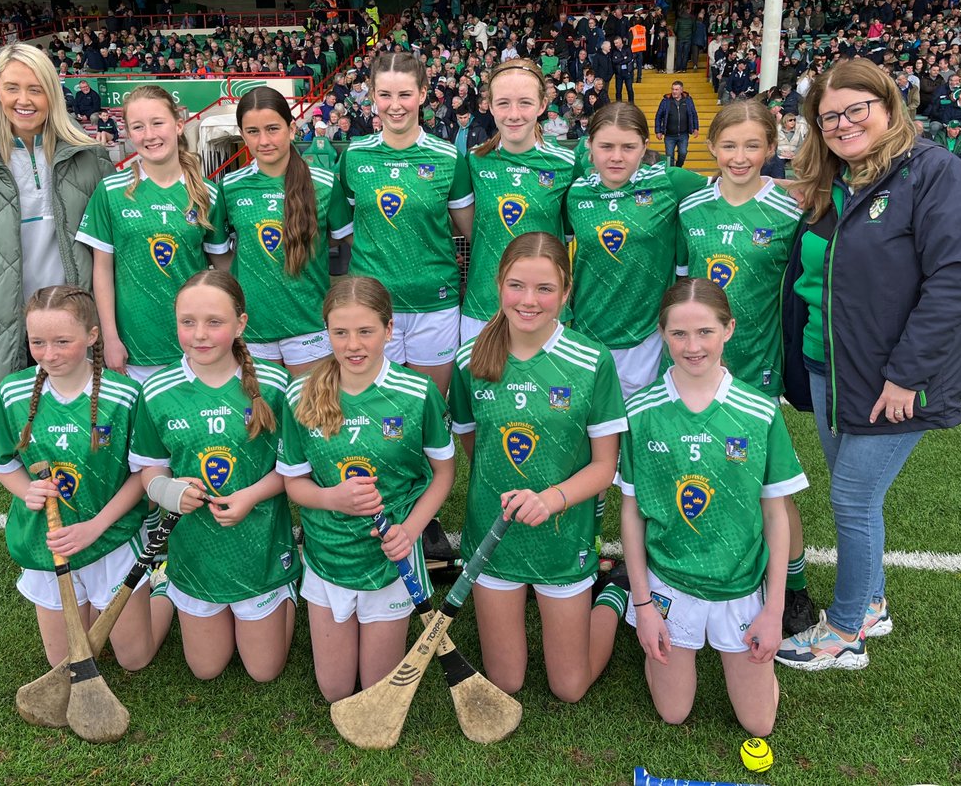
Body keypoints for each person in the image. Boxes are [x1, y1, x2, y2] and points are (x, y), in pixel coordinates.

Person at [778, 58, 961, 671]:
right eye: (829, 116)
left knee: (850, 499)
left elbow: (955, 281)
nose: (842, 124)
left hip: (890, 378)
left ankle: (843, 633)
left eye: (855, 110)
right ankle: (870, 604)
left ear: (889, 107)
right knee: (859, 499)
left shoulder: (935, 173)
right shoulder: (834, 183)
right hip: (828, 369)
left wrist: (906, 376)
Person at [617, 278, 807, 737]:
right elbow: (631, 513)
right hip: (670, 582)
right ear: (662, 334)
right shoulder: (640, 411)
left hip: (738, 584)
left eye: (704, 331)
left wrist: (774, 608)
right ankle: (622, 599)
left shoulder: (759, 411)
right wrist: (643, 605)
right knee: (674, 712)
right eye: (679, 333)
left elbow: (775, 516)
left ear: (729, 330)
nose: (692, 345)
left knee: (758, 724)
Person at [451, 232, 627, 703]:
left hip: (562, 535)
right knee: (506, 682)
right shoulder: (468, 359)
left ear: (566, 293)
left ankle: (613, 593)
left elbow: (605, 465)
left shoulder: (592, 360)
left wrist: (550, 499)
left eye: (545, 289)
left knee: (569, 688)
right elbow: (474, 442)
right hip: (494, 534)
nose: (529, 301)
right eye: (517, 286)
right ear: (498, 284)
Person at [277, 276, 455, 701]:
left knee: (376, 689)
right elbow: (294, 484)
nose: (353, 344)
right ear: (326, 333)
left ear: (389, 330)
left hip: (390, 559)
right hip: (328, 554)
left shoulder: (417, 393)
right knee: (335, 691)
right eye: (340, 332)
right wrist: (330, 498)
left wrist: (410, 531)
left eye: (366, 331)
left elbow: (444, 475)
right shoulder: (300, 394)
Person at [675, 99, 814, 636]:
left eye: (753, 145)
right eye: (729, 145)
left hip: (756, 369)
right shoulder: (692, 209)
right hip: (695, 366)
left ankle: (796, 588)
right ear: (711, 147)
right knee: (701, 470)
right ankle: (706, 567)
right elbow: (685, 289)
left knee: (768, 486)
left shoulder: (788, 212)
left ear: (772, 149)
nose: (740, 156)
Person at [0, 285, 171, 669]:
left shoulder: (124, 395)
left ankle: (163, 588)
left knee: (134, 660)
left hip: (111, 538)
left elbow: (141, 475)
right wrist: (27, 491)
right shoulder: (12, 393)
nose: (49, 354)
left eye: (62, 341)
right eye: (37, 342)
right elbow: (2, 462)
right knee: (66, 663)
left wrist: (95, 527)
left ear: (91, 335)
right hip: (47, 542)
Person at [131, 271, 301, 681]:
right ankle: (165, 584)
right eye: (187, 322)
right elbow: (148, 469)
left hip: (258, 548)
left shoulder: (275, 385)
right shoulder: (156, 390)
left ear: (240, 324)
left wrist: (251, 496)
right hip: (196, 554)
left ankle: (289, 584)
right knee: (205, 669)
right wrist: (168, 490)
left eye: (214, 322)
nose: (199, 335)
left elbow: (293, 470)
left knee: (264, 671)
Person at [0, 43, 115, 415]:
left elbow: (115, 252)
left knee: (97, 438)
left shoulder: (91, 159)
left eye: (35, 89)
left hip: (82, 324)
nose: (24, 100)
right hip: (10, 328)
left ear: (51, 94)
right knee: (23, 441)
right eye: (12, 88)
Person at [336, 52, 474, 397]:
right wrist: (381, 253)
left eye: (404, 94)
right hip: (372, 304)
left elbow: (469, 230)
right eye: (385, 95)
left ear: (423, 94)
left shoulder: (448, 158)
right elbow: (349, 228)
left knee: (427, 408)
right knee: (379, 408)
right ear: (371, 95)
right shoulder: (354, 156)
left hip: (435, 303)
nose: (394, 106)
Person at [77, 84, 230, 384]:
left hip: (197, 344)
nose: (149, 135)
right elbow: (102, 270)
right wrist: (110, 338)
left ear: (178, 124)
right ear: (129, 133)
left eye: (157, 123)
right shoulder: (111, 192)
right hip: (134, 347)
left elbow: (223, 268)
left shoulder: (208, 194)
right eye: (138, 126)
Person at [566, 102, 706, 399]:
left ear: (644, 147)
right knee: (595, 429)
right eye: (606, 146)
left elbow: (733, 187)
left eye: (628, 147)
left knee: (640, 428)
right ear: (590, 146)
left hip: (646, 335)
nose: (616, 157)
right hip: (587, 329)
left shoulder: (668, 182)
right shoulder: (576, 191)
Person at [222, 85, 349, 376]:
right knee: (261, 419)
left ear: (292, 129)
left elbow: (341, 240)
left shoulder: (325, 183)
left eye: (272, 129)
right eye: (252, 131)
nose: (264, 140)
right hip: (252, 326)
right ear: (242, 134)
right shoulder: (229, 187)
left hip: (308, 326)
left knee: (310, 417)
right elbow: (222, 257)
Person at [462, 59, 577, 343]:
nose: (514, 114)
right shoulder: (473, 161)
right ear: (489, 105)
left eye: (525, 103)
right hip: (484, 304)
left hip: (544, 308)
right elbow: (471, 229)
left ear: (541, 106)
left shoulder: (567, 163)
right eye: (503, 103)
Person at [654, 81, 700, 168]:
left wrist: (696, 128)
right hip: (669, 135)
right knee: (669, 156)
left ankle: (678, 168)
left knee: (683, 153)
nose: (674, 91)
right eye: (673, 89)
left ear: (681, 90)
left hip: (683, 134)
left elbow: (694, 114)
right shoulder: (665, 101)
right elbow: (658, 116)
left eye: (676, 89)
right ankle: (672, 172)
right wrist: (658, 131)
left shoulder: (688, 100)